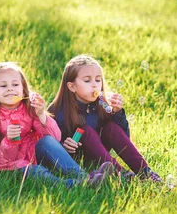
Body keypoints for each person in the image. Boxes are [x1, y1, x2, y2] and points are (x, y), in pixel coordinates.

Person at [0, 62, 114, 188]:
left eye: (15, 85)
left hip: (28, 155)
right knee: (37, 171)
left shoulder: (28, 107)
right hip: (2, 166)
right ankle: (76, 185)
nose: (10, 89)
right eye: (3, 86)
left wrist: (41, 115)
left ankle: (86, 177)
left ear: (23, 89)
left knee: (47, 141)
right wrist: (9, 141)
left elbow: (55, 138)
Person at [48, 55, 162, 183]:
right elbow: (49, 145)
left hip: (101, 155)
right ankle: (122, 175)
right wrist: (64, 145)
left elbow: (123, 139)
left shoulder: (103, 103)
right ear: (71, 86)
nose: (94, 86)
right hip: (78, 159)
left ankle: (146, 172)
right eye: (87, 81)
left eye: (98, 80)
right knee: (86, 131)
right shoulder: (59, 111)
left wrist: (117, 113)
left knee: (111, 127)